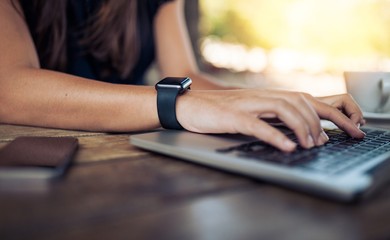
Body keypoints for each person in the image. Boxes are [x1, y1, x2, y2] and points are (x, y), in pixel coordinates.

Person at [0, 0, 365, 152]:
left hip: (130, 159)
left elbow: (185, 73)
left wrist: (278, 99)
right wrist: (177, 104)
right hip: (34, 159)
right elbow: (9, 86)